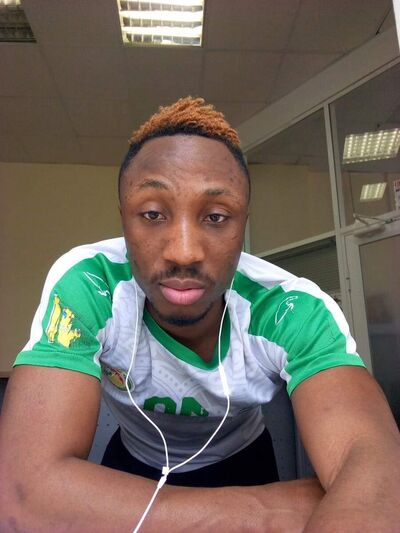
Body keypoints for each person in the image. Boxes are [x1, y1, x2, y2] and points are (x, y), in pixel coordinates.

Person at [0, 97, 399, 532]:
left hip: (243, 461)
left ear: (242, 225)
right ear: (124, 222)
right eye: (153, 214)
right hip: (134, 463)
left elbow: (374, 470)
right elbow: (21, 495)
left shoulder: (289, 307)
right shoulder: (90, 284)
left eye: (216, 217)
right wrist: (266, 513)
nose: (184, 252)